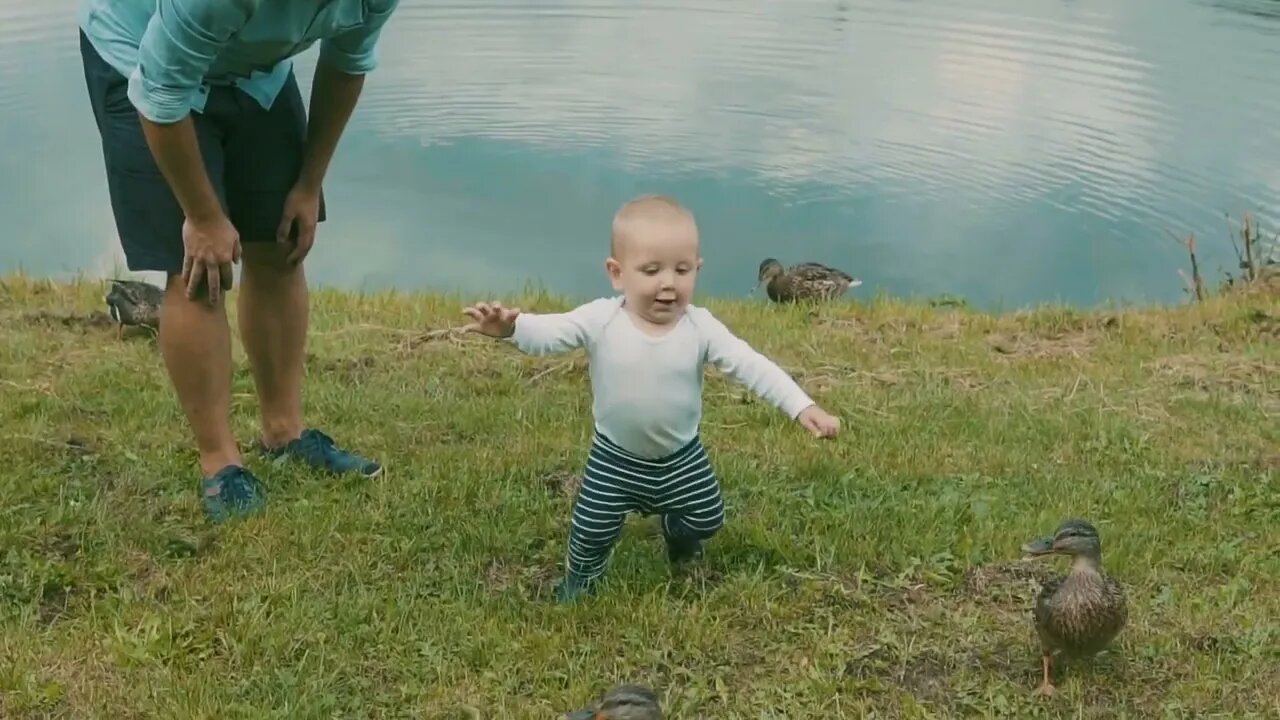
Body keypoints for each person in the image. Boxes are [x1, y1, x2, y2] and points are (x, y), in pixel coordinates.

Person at [78, 0, 401, 522]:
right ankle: (220, 464)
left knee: (281, 246)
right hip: (142, 58)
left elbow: (347, 62)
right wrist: (203, 217)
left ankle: (285, 433)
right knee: (198, 270)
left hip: (254, 73)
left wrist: (308, 182)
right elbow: (161, 91)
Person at [462, 195, 841, 602]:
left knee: (707, 517)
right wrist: (512, 330)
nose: (668, 283)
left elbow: (752, 365)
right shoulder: (601, 319)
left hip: (682, 456)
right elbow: (552, 332)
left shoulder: (701, 327)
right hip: (614, 459)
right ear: (616, 273)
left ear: (697, 269)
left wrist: (802, 405)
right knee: (591, 529)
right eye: (651, 270)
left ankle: (677, 535)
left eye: (681, 270)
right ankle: (580, 582)